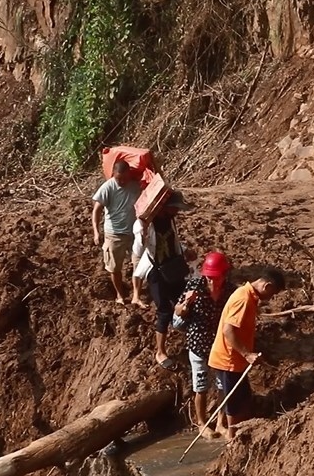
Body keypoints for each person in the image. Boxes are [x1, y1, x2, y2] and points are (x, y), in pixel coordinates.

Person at [207, 269, 286, 441]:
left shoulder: (247, 295)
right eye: (272, 293)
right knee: (233, 403)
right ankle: (232, 439)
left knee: (242, 398)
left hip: (235, 360)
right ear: (267, 286)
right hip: (228, 360)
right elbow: (228, 331)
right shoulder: (243, 299)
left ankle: (236, 432)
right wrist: (247, 354)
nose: (271, 298)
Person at [173, 251, 238, 439]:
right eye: (209, 278)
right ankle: (201, 423)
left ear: (224, 275)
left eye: (215, 278)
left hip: (220, 343)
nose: (212, 282)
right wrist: (186, 302)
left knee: (222, 385)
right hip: (198, 342)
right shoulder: (194, 285)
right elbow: (178, 310)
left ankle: (220, 422)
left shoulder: (230, 290)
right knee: (200, 385)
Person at [133, 191, 195, 371]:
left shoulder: (170, 219)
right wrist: (142, 233)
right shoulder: (144, 224)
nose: (178, 211)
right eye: (175, 208)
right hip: (156, 270)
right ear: (165, 207)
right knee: (164, 311)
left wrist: (185, 250)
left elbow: (172, 241)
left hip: (173, 266)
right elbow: (138, 250)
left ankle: (188, 335)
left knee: (186, 301)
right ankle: (160, 352)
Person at [91, 161, 141, 304]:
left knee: (138, 264)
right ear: (113, 174)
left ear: (129, 174)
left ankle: (136, 295)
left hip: (134, 233)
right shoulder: (107, 187)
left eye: (124, 178)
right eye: (119, 178)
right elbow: (96, 210)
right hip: (114, 234)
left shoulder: (135, 185)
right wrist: (96, 232)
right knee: (114, 267)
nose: (122, 181)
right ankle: (120, 295)